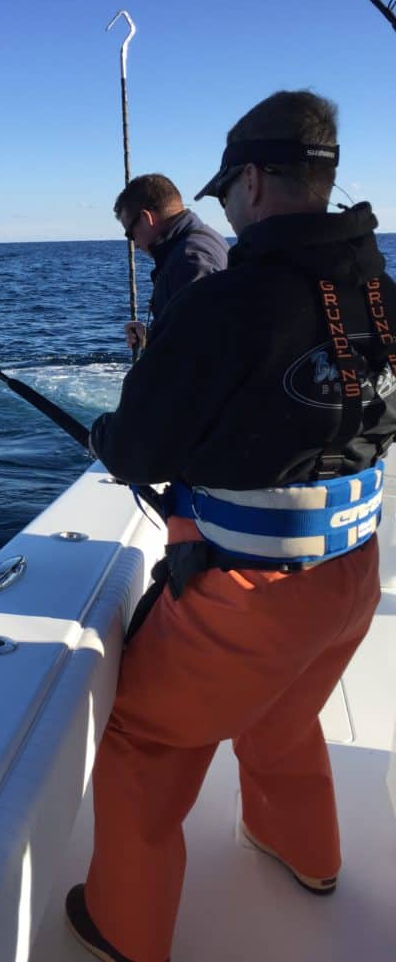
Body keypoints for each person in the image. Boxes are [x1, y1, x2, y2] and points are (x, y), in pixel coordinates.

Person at [66, 90, 396, 962]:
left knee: (145, 738)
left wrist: (111, 433)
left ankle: (123, 931)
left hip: (249, 600)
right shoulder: (379, 288)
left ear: (251, 179)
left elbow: (137, 448)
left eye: (227, 191)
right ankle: (310, 854)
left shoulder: (227, 302)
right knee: (285, 717)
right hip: (354, 574)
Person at [114, 173, 228, 348]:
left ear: (147, 218)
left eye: (131, 234)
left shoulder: (190, 261)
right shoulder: (204, 242)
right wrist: (152, 337)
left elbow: (198, 349)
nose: (135, 245)